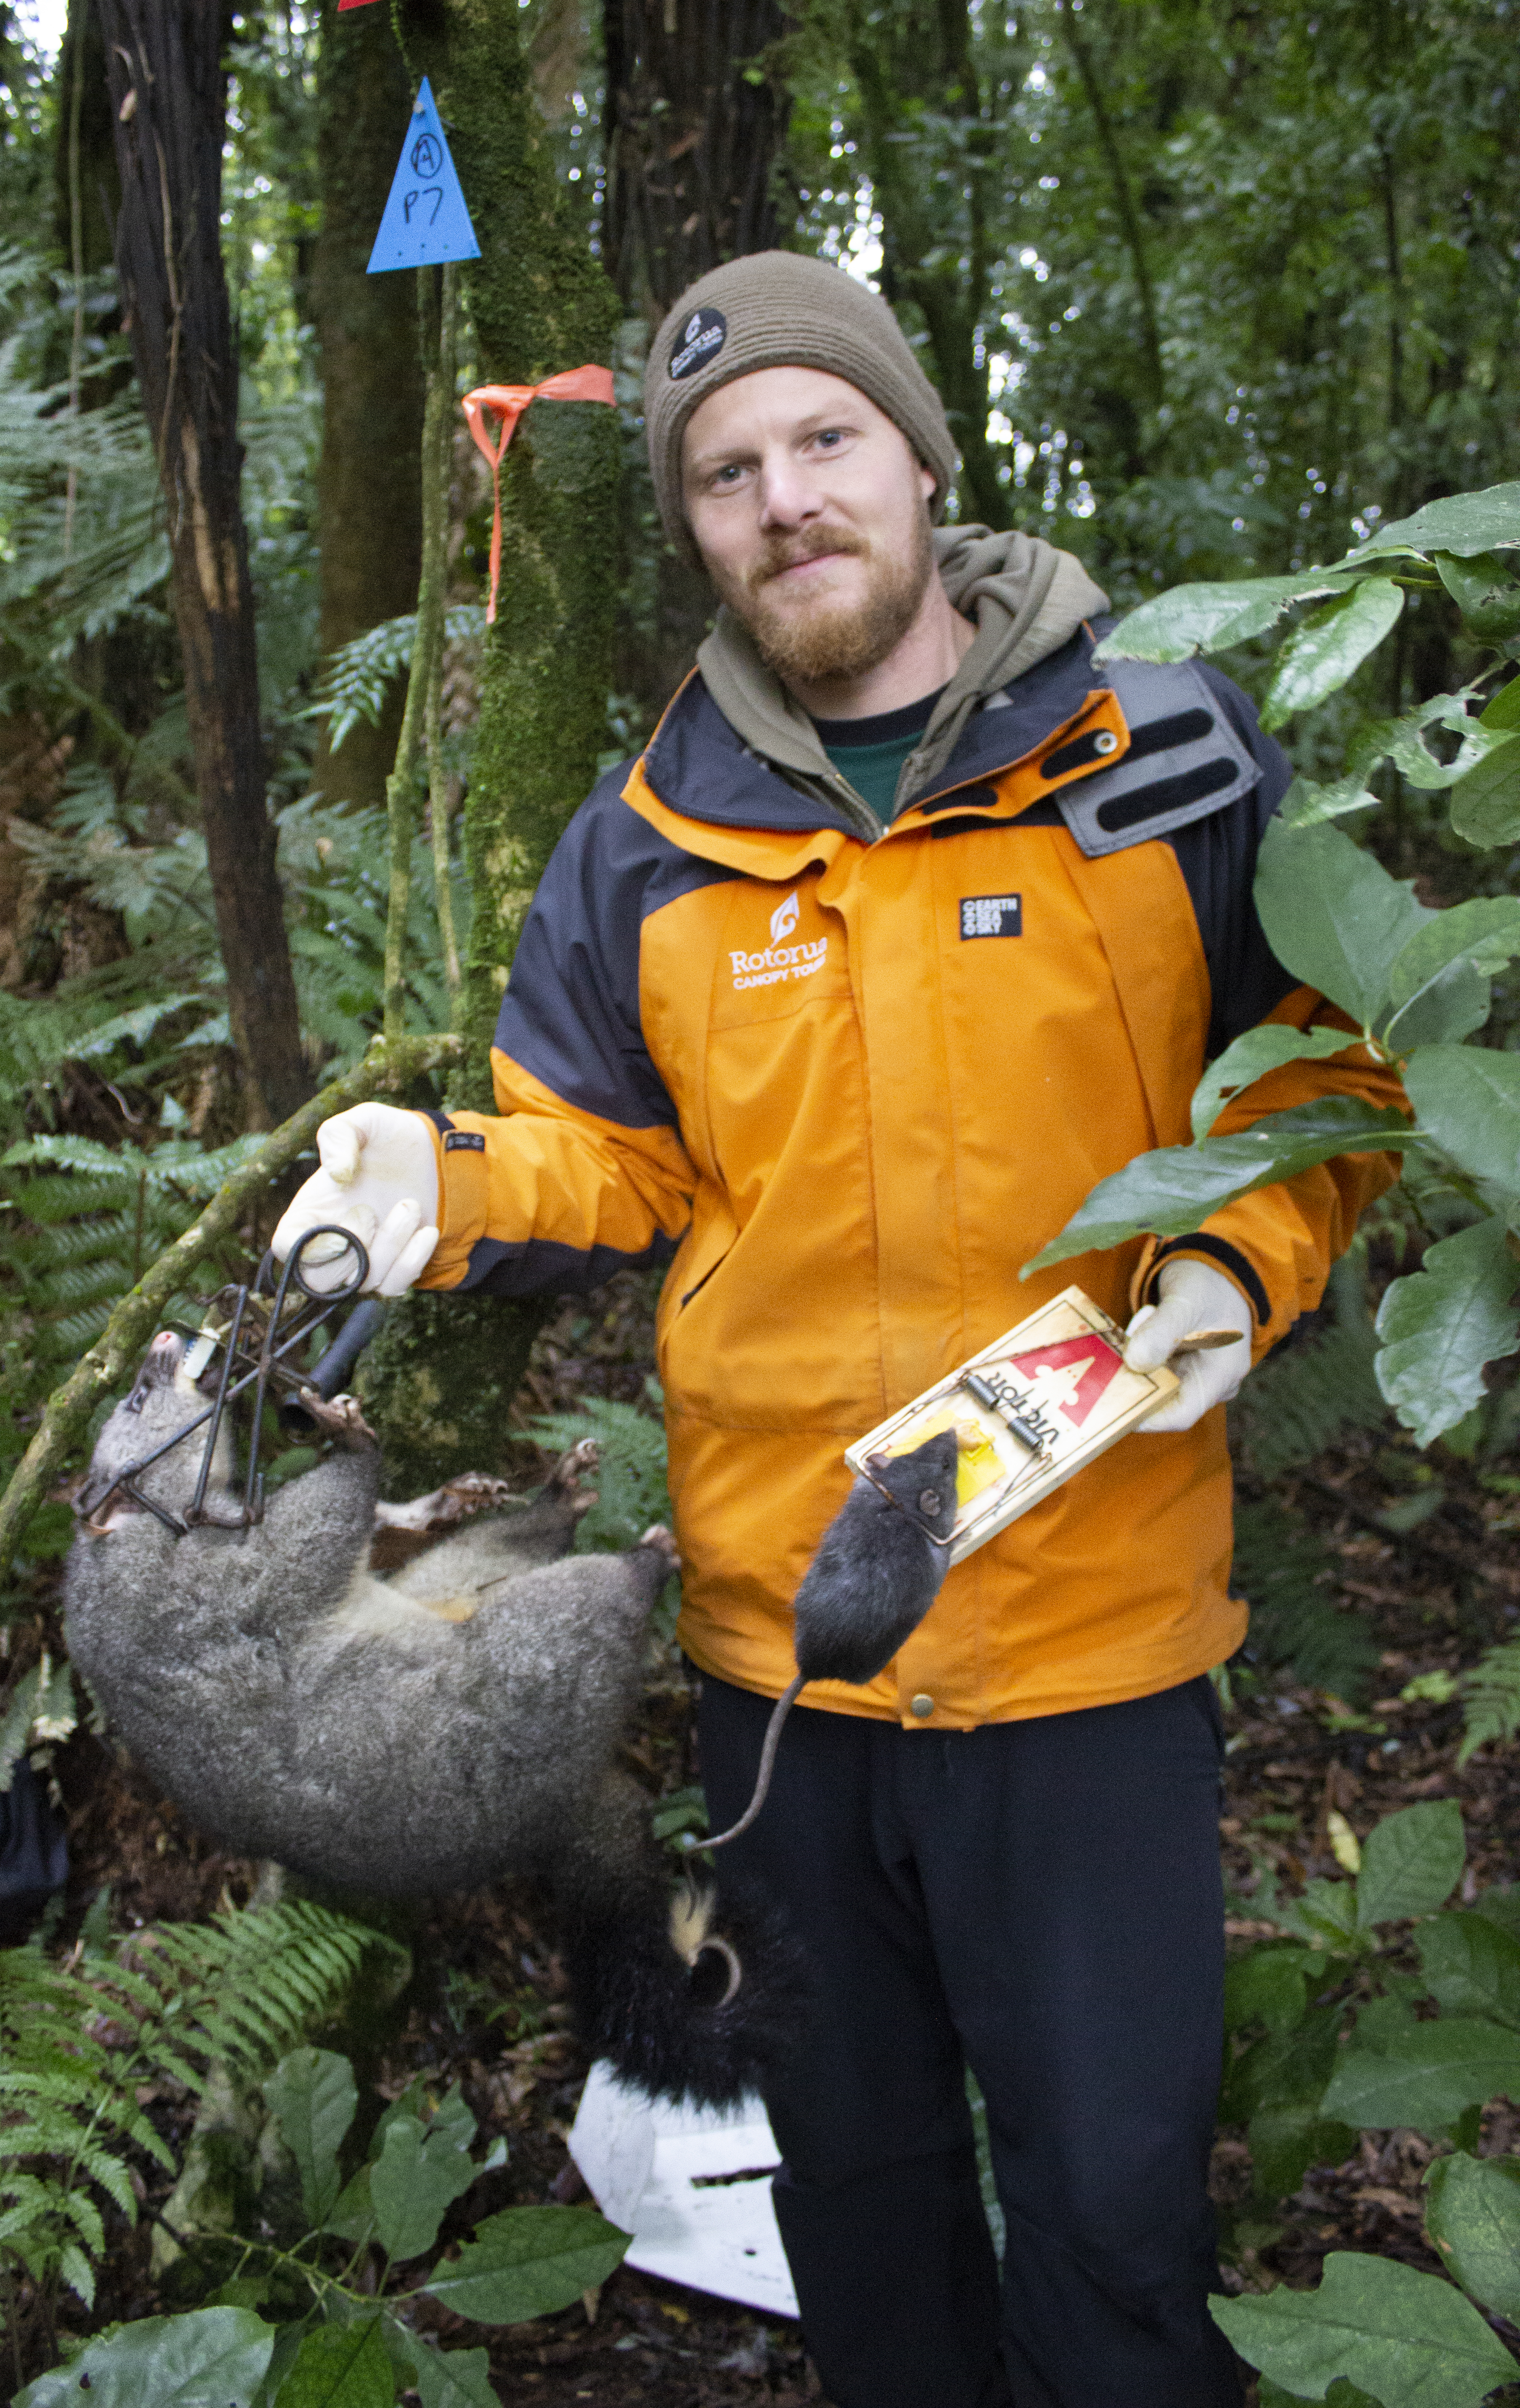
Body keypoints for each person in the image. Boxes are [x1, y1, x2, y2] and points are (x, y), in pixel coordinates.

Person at [273, 253, 1399, 2407]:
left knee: (1117, 2205)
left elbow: (1324, 1071)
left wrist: (1236, 1259)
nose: (783, 501)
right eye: (725, 474)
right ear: (688, 528)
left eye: (822, 442)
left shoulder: (1163, 758)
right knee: (858, 2191)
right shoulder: (646, 848)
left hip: (1092, 1643)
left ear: (917, 454)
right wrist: (441, 1186)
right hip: (788, 1662)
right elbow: (606, 1158)